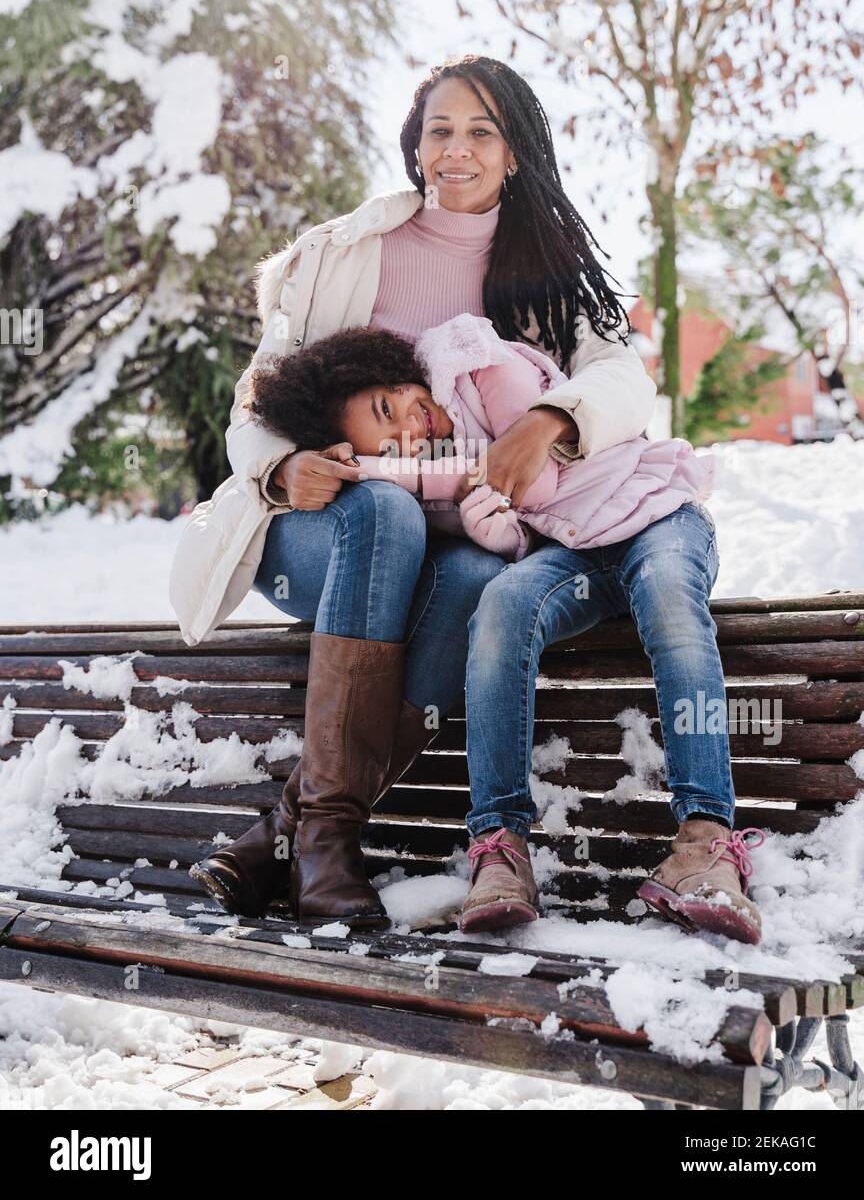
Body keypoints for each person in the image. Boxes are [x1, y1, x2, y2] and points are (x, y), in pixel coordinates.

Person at [169, 54, 657, 927]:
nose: (457, 149)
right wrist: (281, 468)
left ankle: (296, 836)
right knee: (386, 512)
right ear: (414, 146)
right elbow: (254, 404)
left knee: (473, 580)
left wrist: (551, 419)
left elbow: (625, 379)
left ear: (516, 153)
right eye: (440, 130)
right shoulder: (351, 256)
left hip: (448, 549)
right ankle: (321, 840)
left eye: (482, 131)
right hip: (315, 535)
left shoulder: (548, 278)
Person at [238, 311, 764, 946]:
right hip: (573, 549)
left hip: (655, 515)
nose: (409, 429)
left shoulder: (472, 358)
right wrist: (499, 533)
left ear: (392, 373)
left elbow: (532, 474)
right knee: (500, 605)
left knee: (670, 601)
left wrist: (371, 470)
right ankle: (499, 847)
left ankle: (705, 842)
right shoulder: (434, 460)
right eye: (390, 441)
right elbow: (520, 521)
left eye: (390, 405)